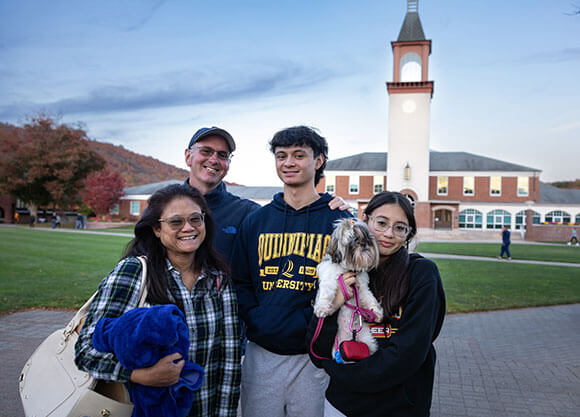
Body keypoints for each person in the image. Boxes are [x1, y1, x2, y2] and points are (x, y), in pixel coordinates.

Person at [75, 184, 241, 416]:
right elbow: (85, 351)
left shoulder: (218, 278)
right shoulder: (134, 272)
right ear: (156, 229)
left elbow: (229, 359)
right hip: (148, 408)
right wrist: (137, 375)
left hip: (205, 408)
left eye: (196, 219)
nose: (188, 228)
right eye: (176, 222)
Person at [232, 126, 352, 417]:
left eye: (299, 155)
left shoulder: (340, 220)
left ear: (319, 161)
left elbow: (352, 282)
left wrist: (313, 322)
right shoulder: (257, 221)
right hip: (263, 351)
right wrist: (259, 318)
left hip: (313, 354)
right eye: (281, 155)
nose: (288, 163)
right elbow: (240, 280)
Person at [307, 191, 446, 417]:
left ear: (408, 234)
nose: (388, 234)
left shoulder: (421, 273)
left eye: (400, 228)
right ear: (366, 220)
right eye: (381, 223)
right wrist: (337, 301)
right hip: (343, 405)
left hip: (398, 406)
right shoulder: (341, 271)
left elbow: (409, 352)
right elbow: (317, 347)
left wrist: (342, 373)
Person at [184, 126, 350, 260]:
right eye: (206, 151)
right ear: (188, 157)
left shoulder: (248, 214)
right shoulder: (163, 207)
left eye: (222, 155)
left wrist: (327, 206)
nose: (213, 160)